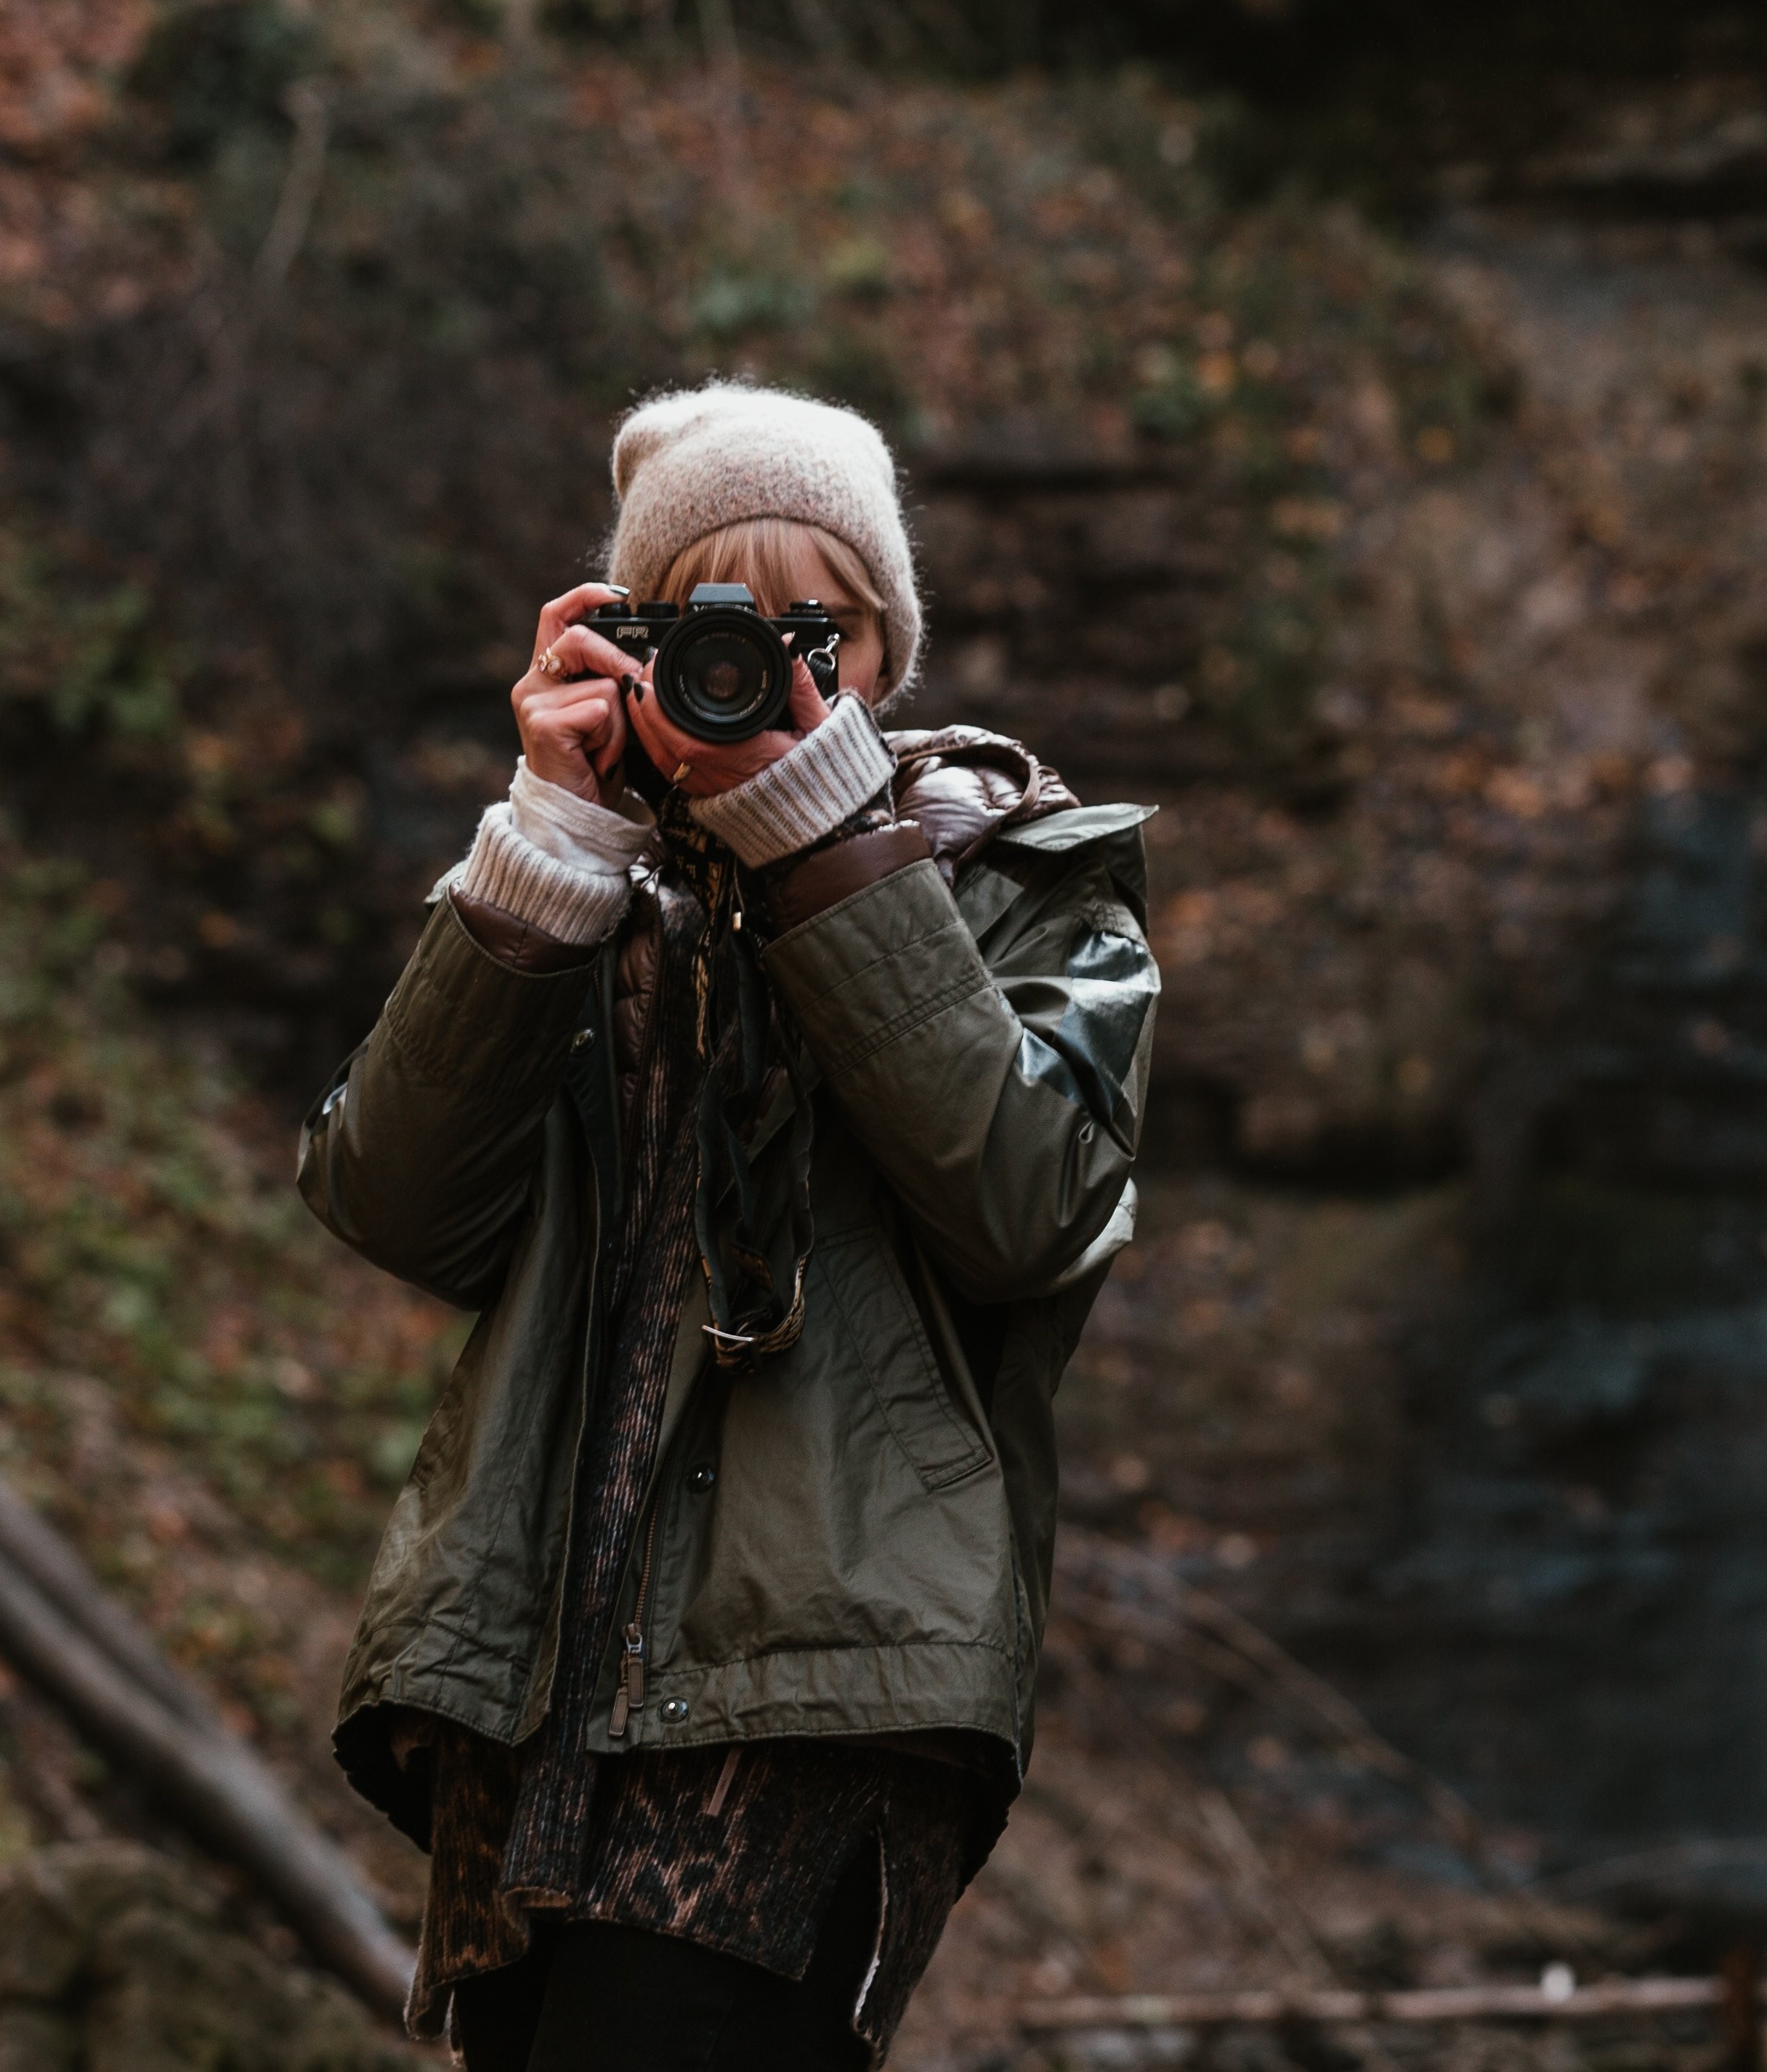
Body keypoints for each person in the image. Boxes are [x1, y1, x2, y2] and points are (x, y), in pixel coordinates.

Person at [296, 385, 1158, 2071]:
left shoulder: (1018, 873)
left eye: (808, 625)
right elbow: (396, 1202)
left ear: (881, 648)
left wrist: (827, 847)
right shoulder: (587, 883)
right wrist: (549, 849)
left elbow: (1033, 1207)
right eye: (707, 621)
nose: (757, 665)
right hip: (546, 1696)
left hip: (821, 1689)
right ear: (625, 641)